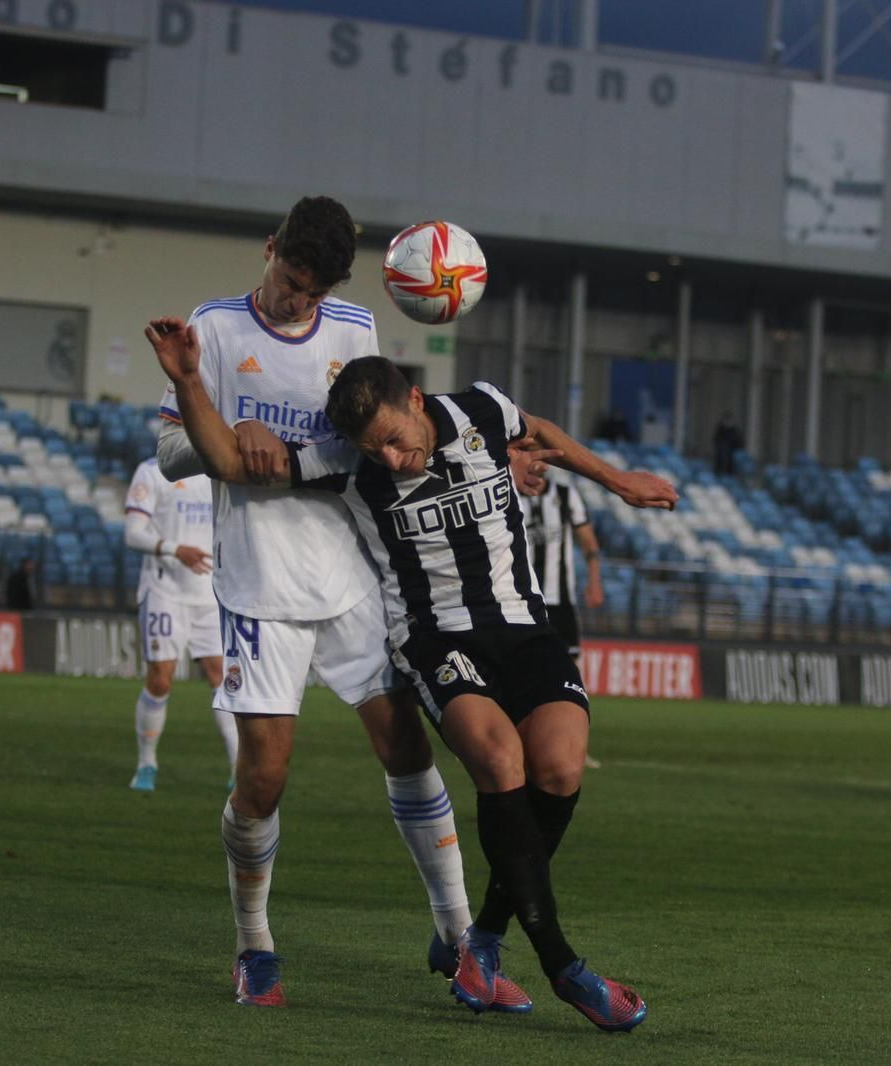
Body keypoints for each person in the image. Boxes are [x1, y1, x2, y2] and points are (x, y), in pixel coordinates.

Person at [150, 327, 676, 1032]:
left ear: (418, 399)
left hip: (524, 627)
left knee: (560, 768)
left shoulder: (482, 411)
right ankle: (562, 966)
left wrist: (618, 480)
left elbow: (538, 427)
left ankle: (480, 942)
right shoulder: (344, 460)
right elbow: (232, 467)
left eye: (397, 438)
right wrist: (196, 391)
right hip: (434, 638)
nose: (393, 459)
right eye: (377, 451)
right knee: (498, 761)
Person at [152, 196, 527, 1011]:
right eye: (292, 281)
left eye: (314, 290)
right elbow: (171, 452)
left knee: (408, 753)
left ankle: (459, 933)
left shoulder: (353, 327)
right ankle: (254, 946)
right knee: (264, 781)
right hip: (259, 583)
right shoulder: (211, 330)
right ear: (271, 250)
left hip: (354, 574)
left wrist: (291, 450)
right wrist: (233, 430)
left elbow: (370, 439)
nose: (300, 300)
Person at [121, 457, 241, 791]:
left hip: (211, 592)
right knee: (160, 680)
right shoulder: (151, 471)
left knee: (224, 679)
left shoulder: (219, 468)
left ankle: (238, 770)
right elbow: (133, 534)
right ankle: (147, 764)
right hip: (165, 591)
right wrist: (175, 550)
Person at [520, 467, 605, 767]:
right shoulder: (509, 493)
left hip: (562, 601)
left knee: (571, 673)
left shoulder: (566, 496)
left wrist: (594, 581)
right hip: (522, 600)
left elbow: (589, 543)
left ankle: (573, 745)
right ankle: (519, 739)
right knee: (522, 671)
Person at [712, 411, 743, 476]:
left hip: (732, 453)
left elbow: (739, 442)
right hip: (721, 453)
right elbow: (716, 440)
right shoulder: (720, 429)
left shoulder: (734, 430)